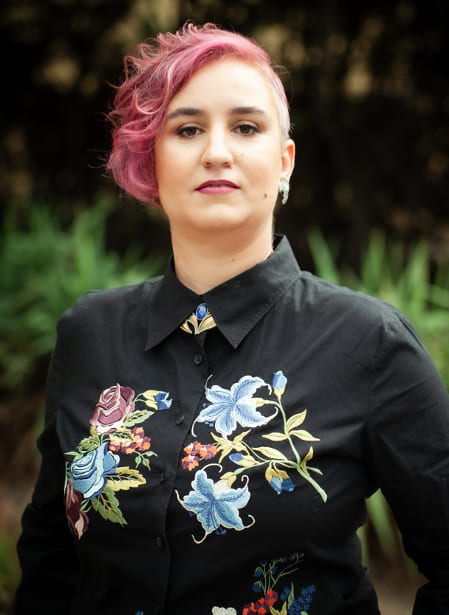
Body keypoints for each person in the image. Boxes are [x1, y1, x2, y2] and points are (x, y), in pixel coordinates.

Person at [14, 22, 449, 615]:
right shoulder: (89, 333)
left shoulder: (369, 343)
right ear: (152, 160)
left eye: (246, 127)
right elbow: (51, 556)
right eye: (187, 129)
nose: (216, 151)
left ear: (285, 162)